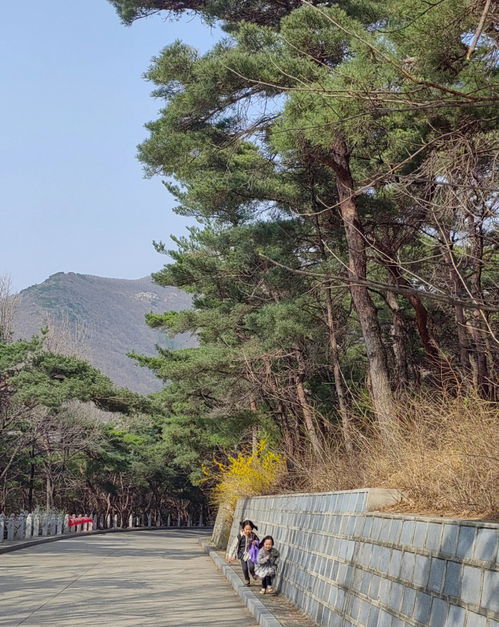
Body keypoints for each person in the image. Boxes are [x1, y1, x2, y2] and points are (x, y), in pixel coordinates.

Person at [227, 519, 260, 586]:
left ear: (252, 529)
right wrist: (230, 555)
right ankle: (247, 580)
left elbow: (259, 542)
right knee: (244, 568)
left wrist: (255, 542)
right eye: (246, 529)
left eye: (250, 529)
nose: (248, 531)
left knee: (251, 566)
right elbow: (234, 545)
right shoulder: (240, 536)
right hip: (242, 554)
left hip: (250, 553)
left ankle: (253, 573)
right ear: (243, 528)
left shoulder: (253, 535)